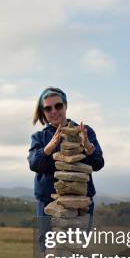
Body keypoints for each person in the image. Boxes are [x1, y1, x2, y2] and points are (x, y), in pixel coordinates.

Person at [27, 87, 104, 223]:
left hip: (80, 202)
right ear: (43, 112)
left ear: (66, 106)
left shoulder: (83, 131)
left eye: (58, 106)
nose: (54, 111)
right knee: (47, 244)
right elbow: (34, 164)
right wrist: (48, 148)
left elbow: (98, 163)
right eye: (48, 108)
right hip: (47, 203)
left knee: (76, 244)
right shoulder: (39, 137)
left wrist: (88, 147)